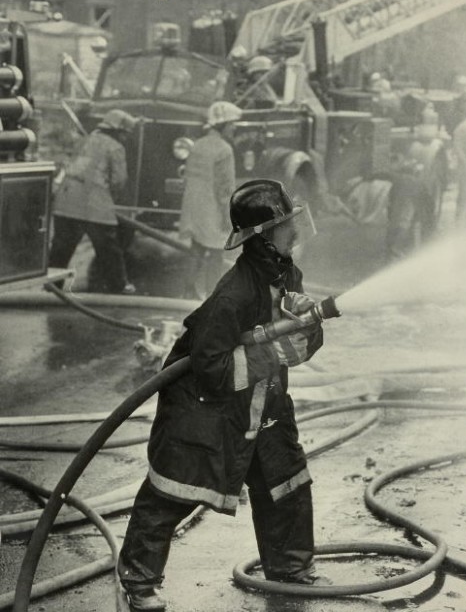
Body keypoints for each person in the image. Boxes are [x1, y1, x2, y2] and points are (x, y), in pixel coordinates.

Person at [118, 179, 325, 611]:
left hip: (265, 405)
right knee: (172, 491)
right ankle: (139, 580)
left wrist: (307, 328)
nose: (296, 232)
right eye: (286, 226)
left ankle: (289, 569)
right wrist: (272, 355)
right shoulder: (233, 294)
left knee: (285, 484)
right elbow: (212, 369)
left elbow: (298, 341)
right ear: (263, 236)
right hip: (207, 411)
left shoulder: (287, 272)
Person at [49, 108, 138, 293]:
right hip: (94, 205)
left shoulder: (85, 140)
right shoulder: (116, 147)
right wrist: (109, 199)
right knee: (109, 249)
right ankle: (119, 286)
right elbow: (118, 180)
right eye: (125, 134)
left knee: (61, 248)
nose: (126, 138)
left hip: (66, 201)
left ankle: (52, 287)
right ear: (119, 131)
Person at [179, 100, 242, 299]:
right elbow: (225, 188)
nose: (234, 128)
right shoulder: (224, 149)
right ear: (223, 125)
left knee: (196, 247)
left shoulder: (197, 145)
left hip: (192, 204)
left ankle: (188, 291)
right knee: (216, 252)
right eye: (232, 124)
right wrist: (227, 216)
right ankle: (211, 295)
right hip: (212, 206)